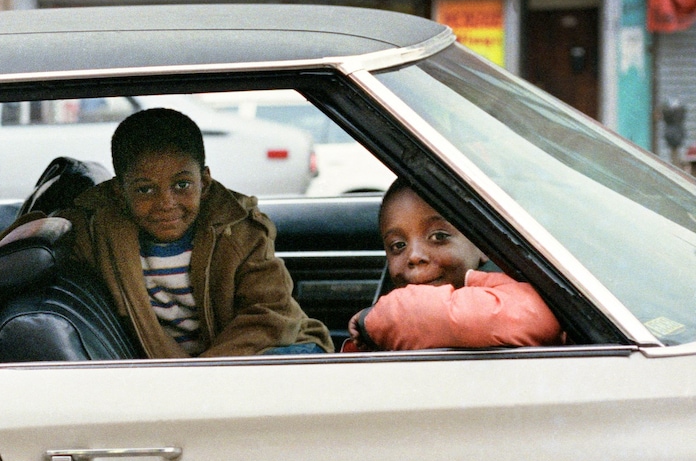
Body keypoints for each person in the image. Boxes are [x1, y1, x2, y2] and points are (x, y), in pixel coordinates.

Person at [52, 108, 331, 358]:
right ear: (119, 191)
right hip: (189, 370)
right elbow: (43, 233)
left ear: (204, 182)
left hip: (276, 345)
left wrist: (203, 372)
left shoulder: (239, 230)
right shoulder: (100, 231)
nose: (166, 203)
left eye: (182, 185)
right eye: (144, 189)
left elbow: (270, 313)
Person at [347, 180, 563, 350]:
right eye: (398, 245)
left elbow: (534, 320)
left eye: (439, 236)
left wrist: (377, 320)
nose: (414, 256)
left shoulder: (511, 296)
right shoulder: (379, 334)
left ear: (482, 245)